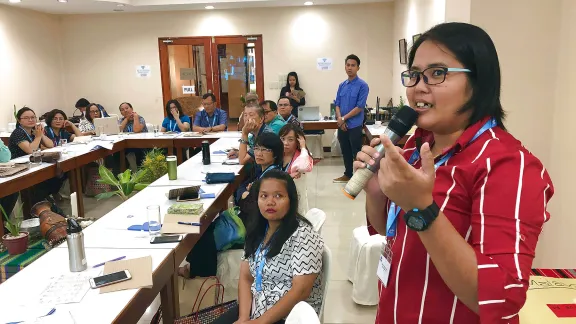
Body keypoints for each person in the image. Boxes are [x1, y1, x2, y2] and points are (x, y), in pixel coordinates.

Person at [355, 22, 553, 323]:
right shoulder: (413, 147)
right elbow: (391, 233)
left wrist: (422, 207)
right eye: (414, 75)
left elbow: (503, 296)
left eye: (437, 73)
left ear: (479, 81)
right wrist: (376, 194)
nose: (418, 87)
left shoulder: (508, 165)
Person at [212, 169, 324, 324]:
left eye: (278, 196)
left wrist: (259, 322)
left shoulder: (303, 235)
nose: (270, 202)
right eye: (264, 196)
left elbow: (301, 290)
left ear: (291, 200)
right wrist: (244, 317)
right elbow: (246, 277)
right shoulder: (258, 230)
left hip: (288, 315)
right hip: (257, 307)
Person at [333, 54, 369, 183]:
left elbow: (359, 107)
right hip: (342, 125)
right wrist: (339, 119)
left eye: (353, 65)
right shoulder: (342, 85)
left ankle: (360, 178)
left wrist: (343, 118)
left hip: (354, 125)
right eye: (348, 65)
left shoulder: (363, 85)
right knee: (345, 151)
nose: (350, 68)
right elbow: (337, 103)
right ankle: (348, 174)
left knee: (357, 152)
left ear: (358, 68)